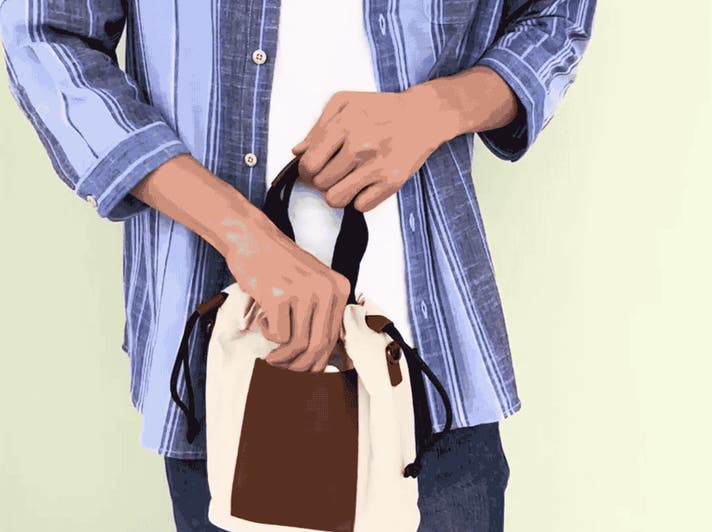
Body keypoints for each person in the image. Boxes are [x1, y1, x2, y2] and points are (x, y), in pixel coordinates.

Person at [0, 0, 596, 530]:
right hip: (226, 368)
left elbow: (557, 18)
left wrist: (436, 110)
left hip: (433, 366)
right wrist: (240, 233)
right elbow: (45, 34)